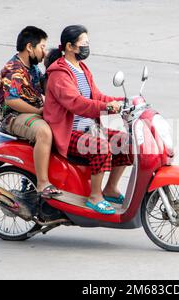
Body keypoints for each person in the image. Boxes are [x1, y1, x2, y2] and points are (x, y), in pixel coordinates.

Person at [44, 25, 133, 215]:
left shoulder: (82, 68)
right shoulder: (59, 73)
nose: (87, 47)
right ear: (70, 46)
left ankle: (110, 189)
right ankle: (95, 197)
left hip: (88, 129)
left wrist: (124, 101)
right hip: (68, 133)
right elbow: (76, 103)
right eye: (83, 43)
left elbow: (97, 96)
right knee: (100, 147)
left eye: (88, 43)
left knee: (125, 141)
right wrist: (107, 107)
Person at [0, 26, 62, 199]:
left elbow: (47, 89)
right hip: (14, 117)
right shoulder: (14, 69)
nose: (44, 52)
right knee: (44, 132)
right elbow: (12, 100)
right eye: (42, 47)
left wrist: (54, 67)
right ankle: (42, 183)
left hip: (33, 114)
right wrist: (38, 111)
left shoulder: (32, 68)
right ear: (29, 47)